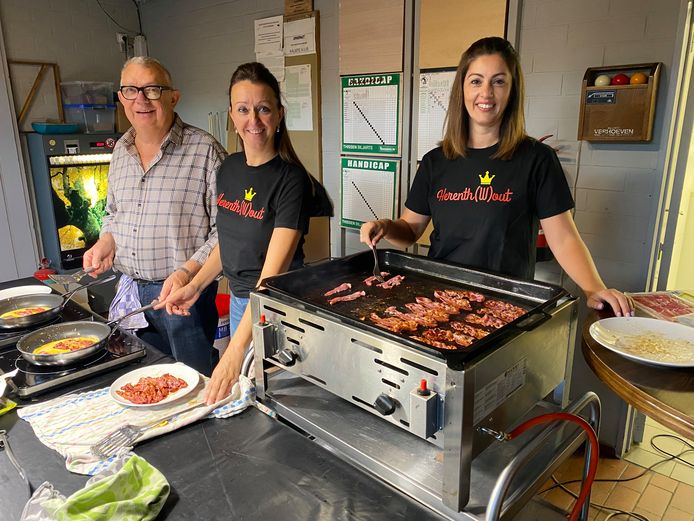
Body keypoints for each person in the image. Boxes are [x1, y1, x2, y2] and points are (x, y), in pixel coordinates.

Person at [360, 37, 633, 317]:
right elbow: (410, 231)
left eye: (499, 81)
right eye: (476, 81)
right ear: (462, 89)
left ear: (512, 91)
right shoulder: (435, 161)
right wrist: (385, 226)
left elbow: (562, 238)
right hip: (439, 300)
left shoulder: (536, 159)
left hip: (505, 305)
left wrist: (593, 288)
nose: (486, 93)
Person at [158, 62, 332, 404]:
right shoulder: (228, 169)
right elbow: (228, 240)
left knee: (272, 402)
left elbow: (272, 275)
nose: (253, 120)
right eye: (243, 110)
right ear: (232, 116)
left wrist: (236, 349)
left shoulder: (292, 181)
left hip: (274, 310)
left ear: (279, 115)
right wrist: (195, 286)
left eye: (263, 109)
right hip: (241, 302)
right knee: (241, 399)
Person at [84, 56, 227, 376]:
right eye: (131, 90)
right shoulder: (120, 150)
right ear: (121, 98)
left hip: (184, 298)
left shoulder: (204, 151)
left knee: (194, 381)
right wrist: (107, 239)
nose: (141, 100)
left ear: (173, 97)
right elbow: (114, 212)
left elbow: (227, 232)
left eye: (152, 90)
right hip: (132, 293)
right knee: (148, 379)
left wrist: (188, 274)